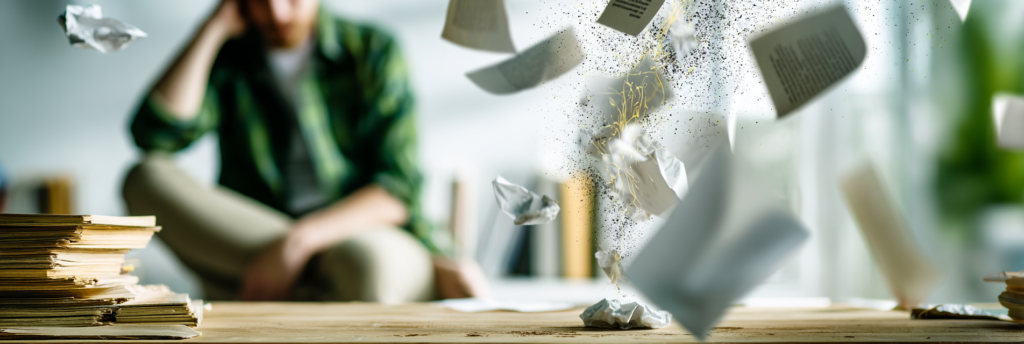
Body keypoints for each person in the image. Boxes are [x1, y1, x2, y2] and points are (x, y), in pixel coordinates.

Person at [122, 0, 487, 302]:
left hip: (358, 233)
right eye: (260, 1)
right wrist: (213, 29)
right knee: (144, 178)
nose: (277, 13)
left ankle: (264, 286)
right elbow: (156, 135)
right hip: (258, 233)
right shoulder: (232, 57)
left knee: (368, 267)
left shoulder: (372, 50)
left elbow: (398, 189)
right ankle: (320, 291)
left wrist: (296, 245)